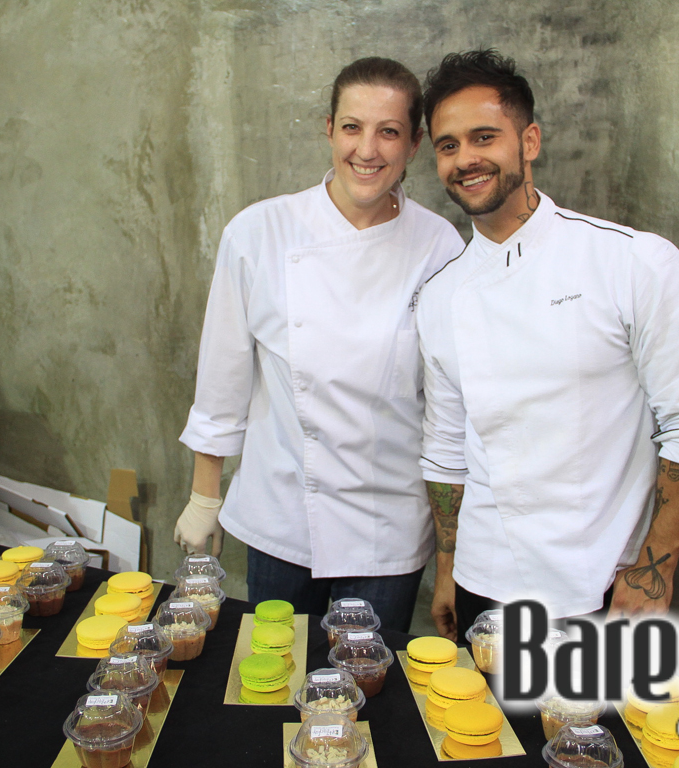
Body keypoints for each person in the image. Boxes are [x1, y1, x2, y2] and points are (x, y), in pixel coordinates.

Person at [416, 50, 679, 642]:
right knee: (481, 735)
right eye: (448, 145)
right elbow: (445, 450)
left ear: (529, 141)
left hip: (602, 583)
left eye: (484, 137)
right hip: (482, 580)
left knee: (589, 738)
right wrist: (448, 569)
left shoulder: (631, 261)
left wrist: (654, 571)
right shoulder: (439, 296)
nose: (465, 159)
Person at [174, 57, 465, 632]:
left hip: (388, 522)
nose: (367, 150)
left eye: (389, 132)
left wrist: (454, 550)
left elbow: (449, 411)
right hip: (283, 512)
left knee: (368, 688)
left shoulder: (440, 246)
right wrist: (205, 497)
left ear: (414, 145)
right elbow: (224, 377)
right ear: (328, 129)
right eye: (352, 127)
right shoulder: (258, 233)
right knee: (274, 680)